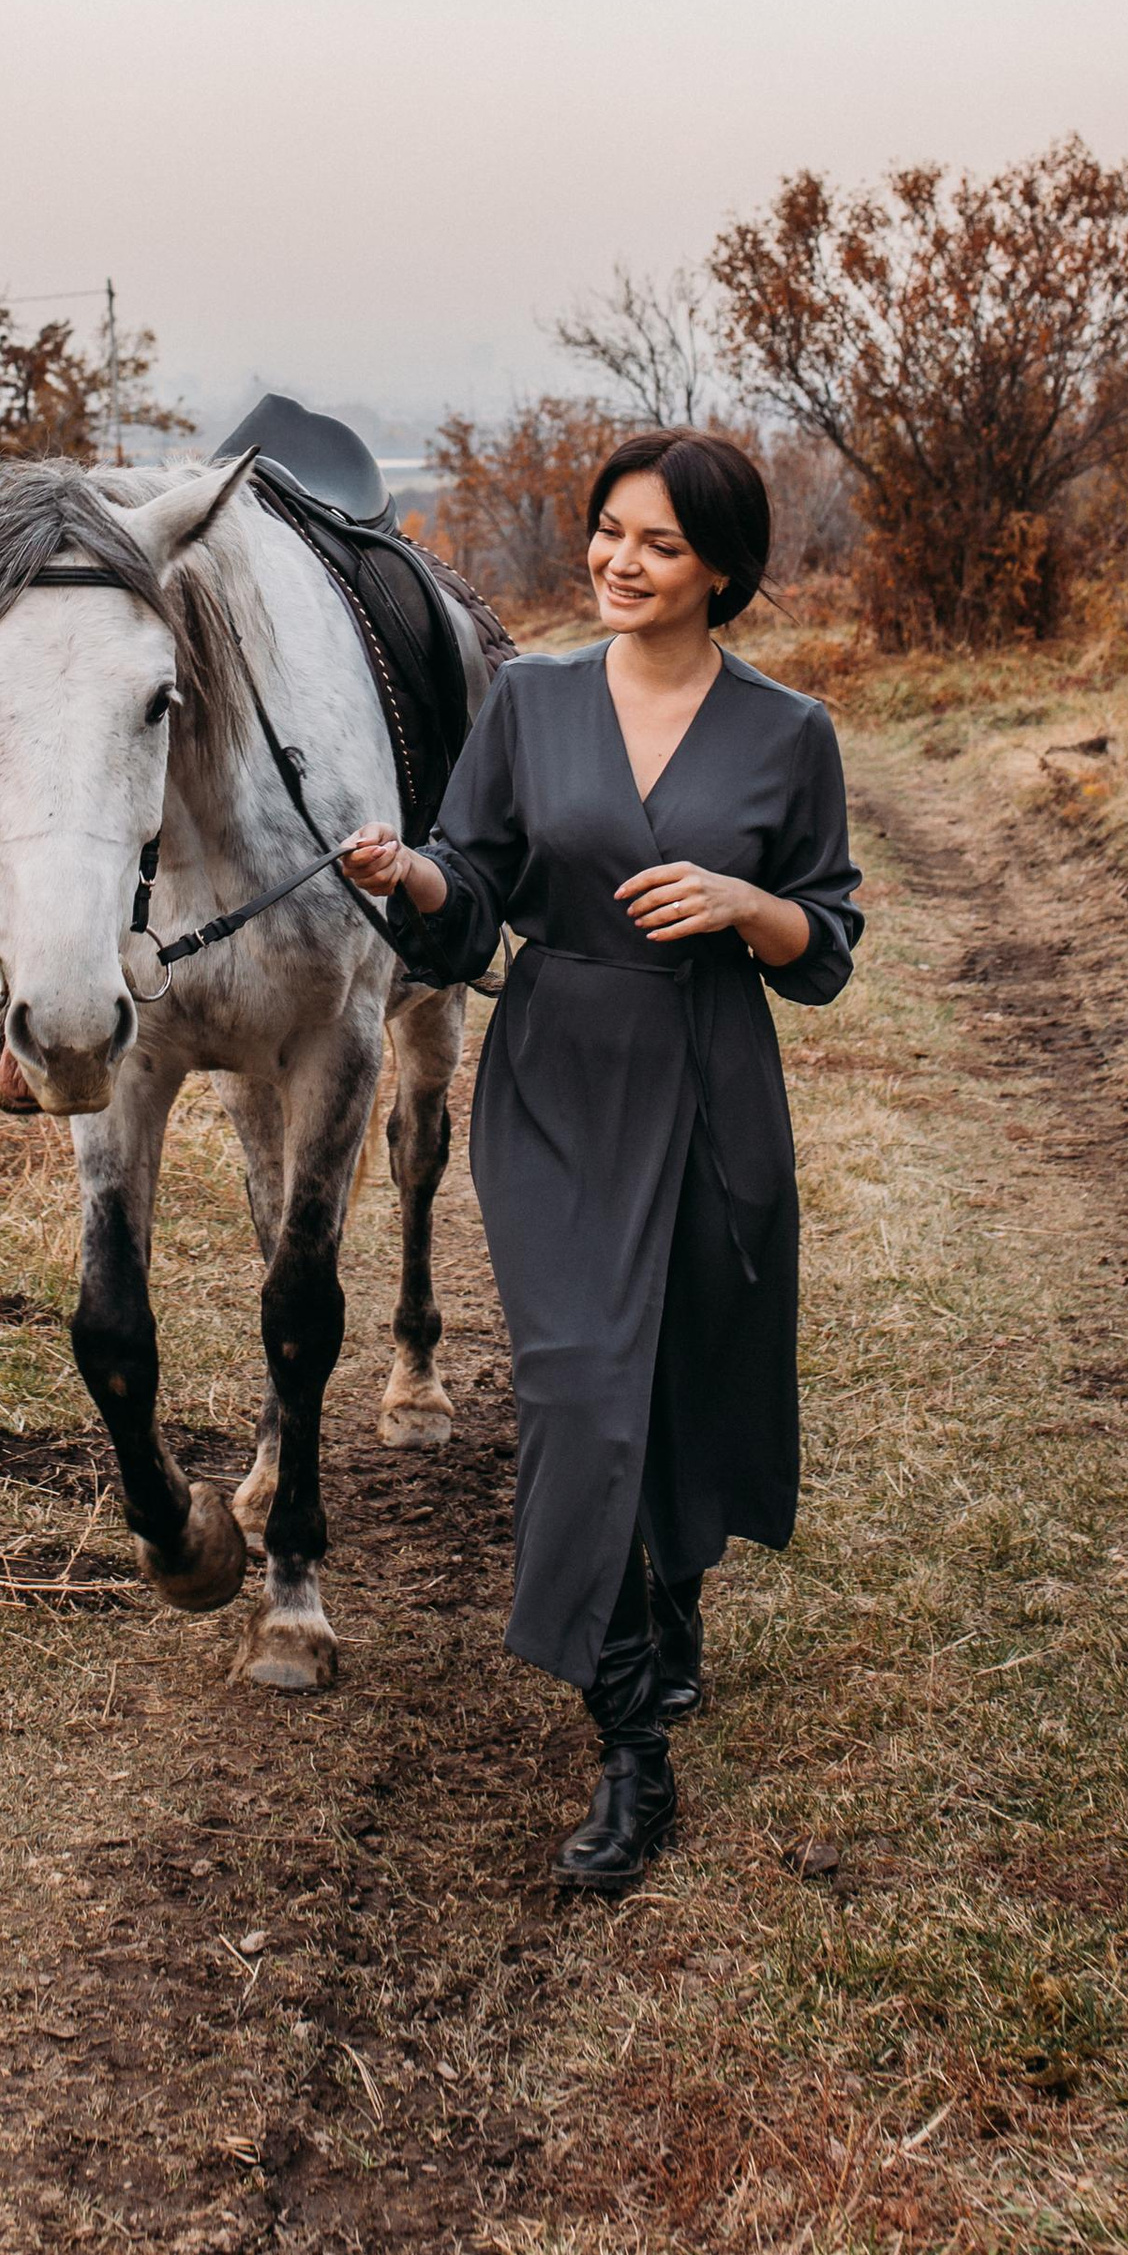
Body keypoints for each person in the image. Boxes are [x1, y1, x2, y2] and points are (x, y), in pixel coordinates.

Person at [338, 431, 861, 1896]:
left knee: (686, 1372)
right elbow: (478, 884)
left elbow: (825, 944)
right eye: (609, 533)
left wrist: (747, 902)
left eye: (662, 546)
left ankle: (673, 1595)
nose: (622, 563)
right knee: (576, 1391)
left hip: (709, 1084)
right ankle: (632, 1739)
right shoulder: (534, 698)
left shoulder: (786, 733)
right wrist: (414, 875)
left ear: (725, 573)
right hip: (559, 1074)